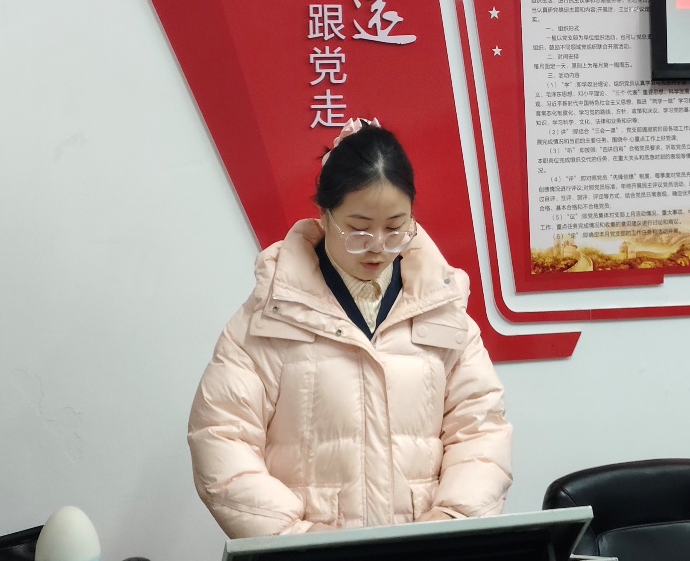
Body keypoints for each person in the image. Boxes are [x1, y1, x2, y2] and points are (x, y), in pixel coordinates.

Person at [187, 118, 512, 537]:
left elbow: (480, 430)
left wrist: (452, 520)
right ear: (324, 215)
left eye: (395, 228)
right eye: (358, 230)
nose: (377, 246)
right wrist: (297, 538)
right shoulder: (269, 317)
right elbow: (221, 438)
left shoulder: (443, 311)